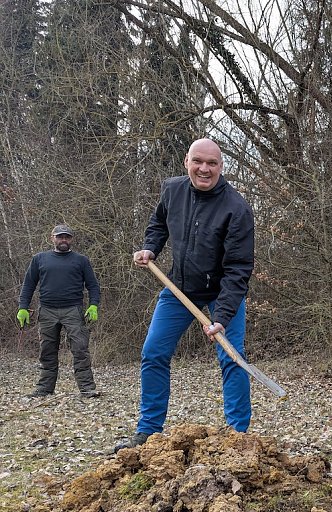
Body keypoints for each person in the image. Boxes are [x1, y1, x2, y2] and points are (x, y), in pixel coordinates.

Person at [114, 138, 255, 452]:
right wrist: (152, 246)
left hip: (222, 293)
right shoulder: (172, 190)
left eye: (212, 164)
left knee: (232, 358)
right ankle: (148, 431)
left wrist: (221, 318)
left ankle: (238, 437)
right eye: (198, 161)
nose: (204, 169)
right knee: (153, 353)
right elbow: (159, 223)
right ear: (186, 162)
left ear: (221, 167)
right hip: (178, 288)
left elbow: (238, 269)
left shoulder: (237, 208)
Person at [16, 224, 101, 398]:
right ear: (52, 238)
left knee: (80, 349)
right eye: (60, 237)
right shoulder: (39, 259)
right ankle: (45, 388)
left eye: (67, 237)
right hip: (47, 311)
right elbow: (28, 285)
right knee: (47, 349)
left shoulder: (81, 260)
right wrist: (22, 307)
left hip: (73, 310)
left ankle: (87, 388)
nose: (63, 240)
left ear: (71, 239)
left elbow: (93, 285)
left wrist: (93, 305)